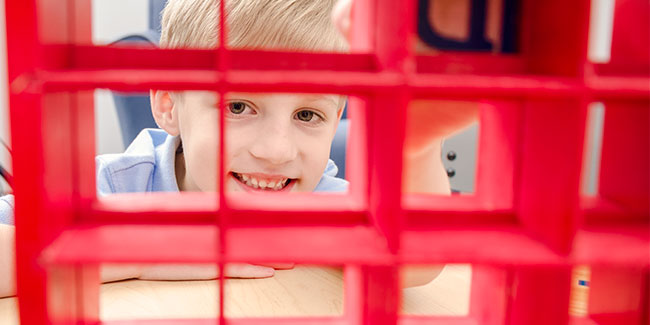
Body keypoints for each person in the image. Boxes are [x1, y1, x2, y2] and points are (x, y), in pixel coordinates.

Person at [0, 0, 478, 297]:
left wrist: (415, 145)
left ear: (338, 115)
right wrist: (148, 250)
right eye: (239, 107)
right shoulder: (109, 185)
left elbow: (413, 263)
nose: (276, 151)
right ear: (169, 105)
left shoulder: (320, 202)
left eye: (307, 115)